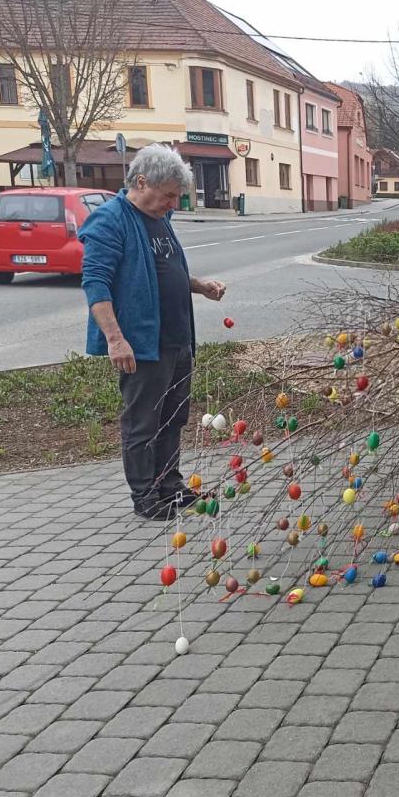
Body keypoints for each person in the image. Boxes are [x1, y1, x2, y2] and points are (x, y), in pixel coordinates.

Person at [80, 144, 227, 520]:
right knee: (143, 422)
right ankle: (145, 495)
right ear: (142, 182)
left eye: (176, 197)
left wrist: (198, 285)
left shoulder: (160, 217)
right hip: (142, 343)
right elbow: (96, 283)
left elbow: (161, 270)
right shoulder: (110, 220)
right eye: (169, 196)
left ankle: (169, 485)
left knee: (173, 418)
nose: (173, 204)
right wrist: (115, 339)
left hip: (177, 338)